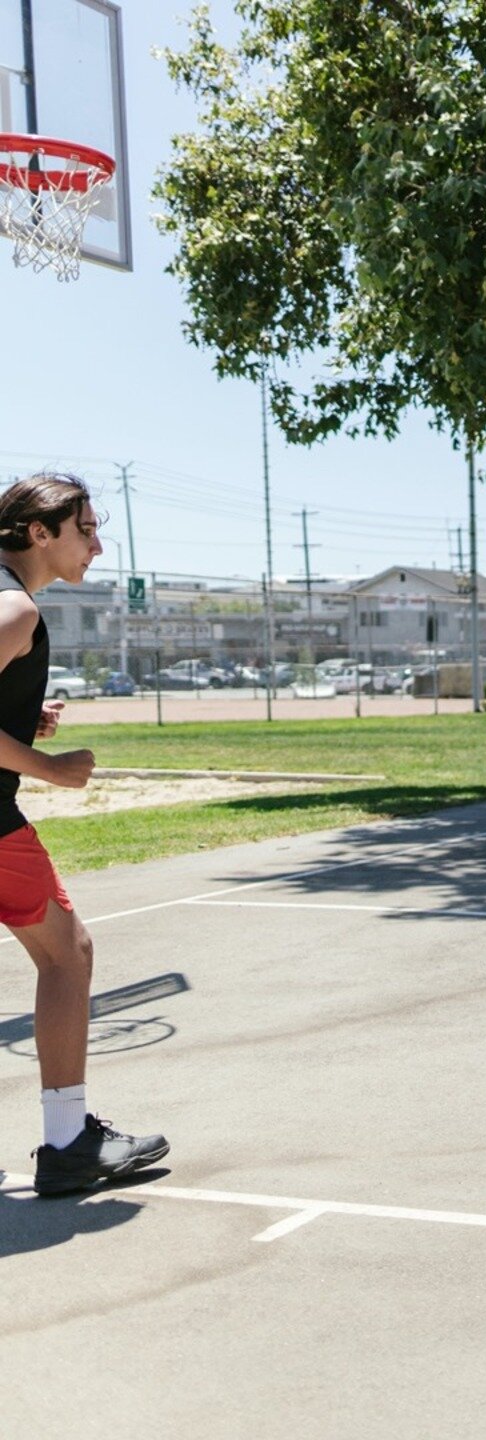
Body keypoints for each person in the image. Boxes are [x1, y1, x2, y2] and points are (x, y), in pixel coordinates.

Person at [0, 474, 169, 1193]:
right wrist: (48, 767)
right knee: (67, 956)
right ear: (40, 532)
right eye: (87, 530)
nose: (97, 547)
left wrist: (16, 718)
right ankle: (69, 1144)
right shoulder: (14, 608)